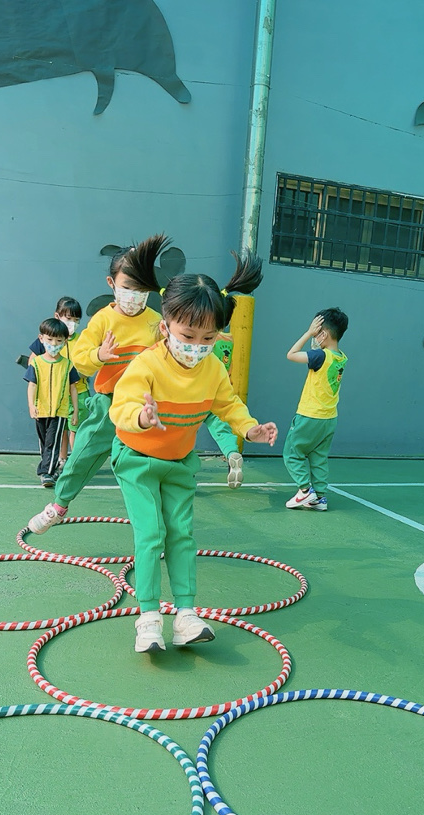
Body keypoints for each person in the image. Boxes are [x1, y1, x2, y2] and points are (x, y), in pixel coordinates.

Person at [108, 241, 277, 653]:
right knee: (151, 534)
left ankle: (185, 615)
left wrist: (250, 428)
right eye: (187, 335)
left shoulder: (212, 366)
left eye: (208, 337)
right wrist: (142, 417)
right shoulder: (147, 364)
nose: (197, 345)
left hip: (179, 463)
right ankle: (149, 618)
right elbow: (120, 407)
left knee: (181, 534)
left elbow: (228, 403)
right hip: (137, 460)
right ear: (166, 326)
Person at [26, 236, 166, 533]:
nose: (134, 295)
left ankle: (153, 525)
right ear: (111, 283)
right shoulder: (103, 320)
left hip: (142, 407)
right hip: (108, 404)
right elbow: (79, 360)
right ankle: (59, 505)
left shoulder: (156, 321)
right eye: (128, 287)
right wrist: (99, 355)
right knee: (83, 454)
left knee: (141, 466)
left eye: (141, 288)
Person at [282, 308, 348, 512]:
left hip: (310, 416)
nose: (314, 336)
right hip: (329, 419)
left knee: (292, 452)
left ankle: (304, 490)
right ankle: (320, 497)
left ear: (323, 333)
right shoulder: (341, 358)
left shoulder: (320, 356)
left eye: (316, 332)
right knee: (318, 457)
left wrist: (307, 333)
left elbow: (291, 355)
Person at [28, 296, 87, 467]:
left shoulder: (82, 340)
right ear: (57, 316)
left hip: (78, 391)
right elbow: (32, 363)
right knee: (60, 430)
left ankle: (75, 462)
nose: (72, 323)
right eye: (68, 318)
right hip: (53, 396)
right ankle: (61, 459)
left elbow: (89, 363)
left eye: (76, 320)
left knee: (75, 428)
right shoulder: (47, 338)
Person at [24, 318, 79, 486]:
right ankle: (51, 468)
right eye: (50, 339)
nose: (54, 344)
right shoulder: (36, 363)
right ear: (41, 338)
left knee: (52, 442)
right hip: (41, 410)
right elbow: (32, 385)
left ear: (65, 341)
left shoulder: (68, 365)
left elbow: (73, 389)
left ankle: (46, 473)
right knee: (44, 442)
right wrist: (31, 405)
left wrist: (75, 411)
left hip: (59, 412)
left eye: (59, 341)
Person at [202, 330, 245, 488]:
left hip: (200, 394)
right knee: (222, 431)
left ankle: (185, 474)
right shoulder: (228, 340)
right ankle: (232, 453)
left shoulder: (206, 340)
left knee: (186, 432)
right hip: (219, 394)